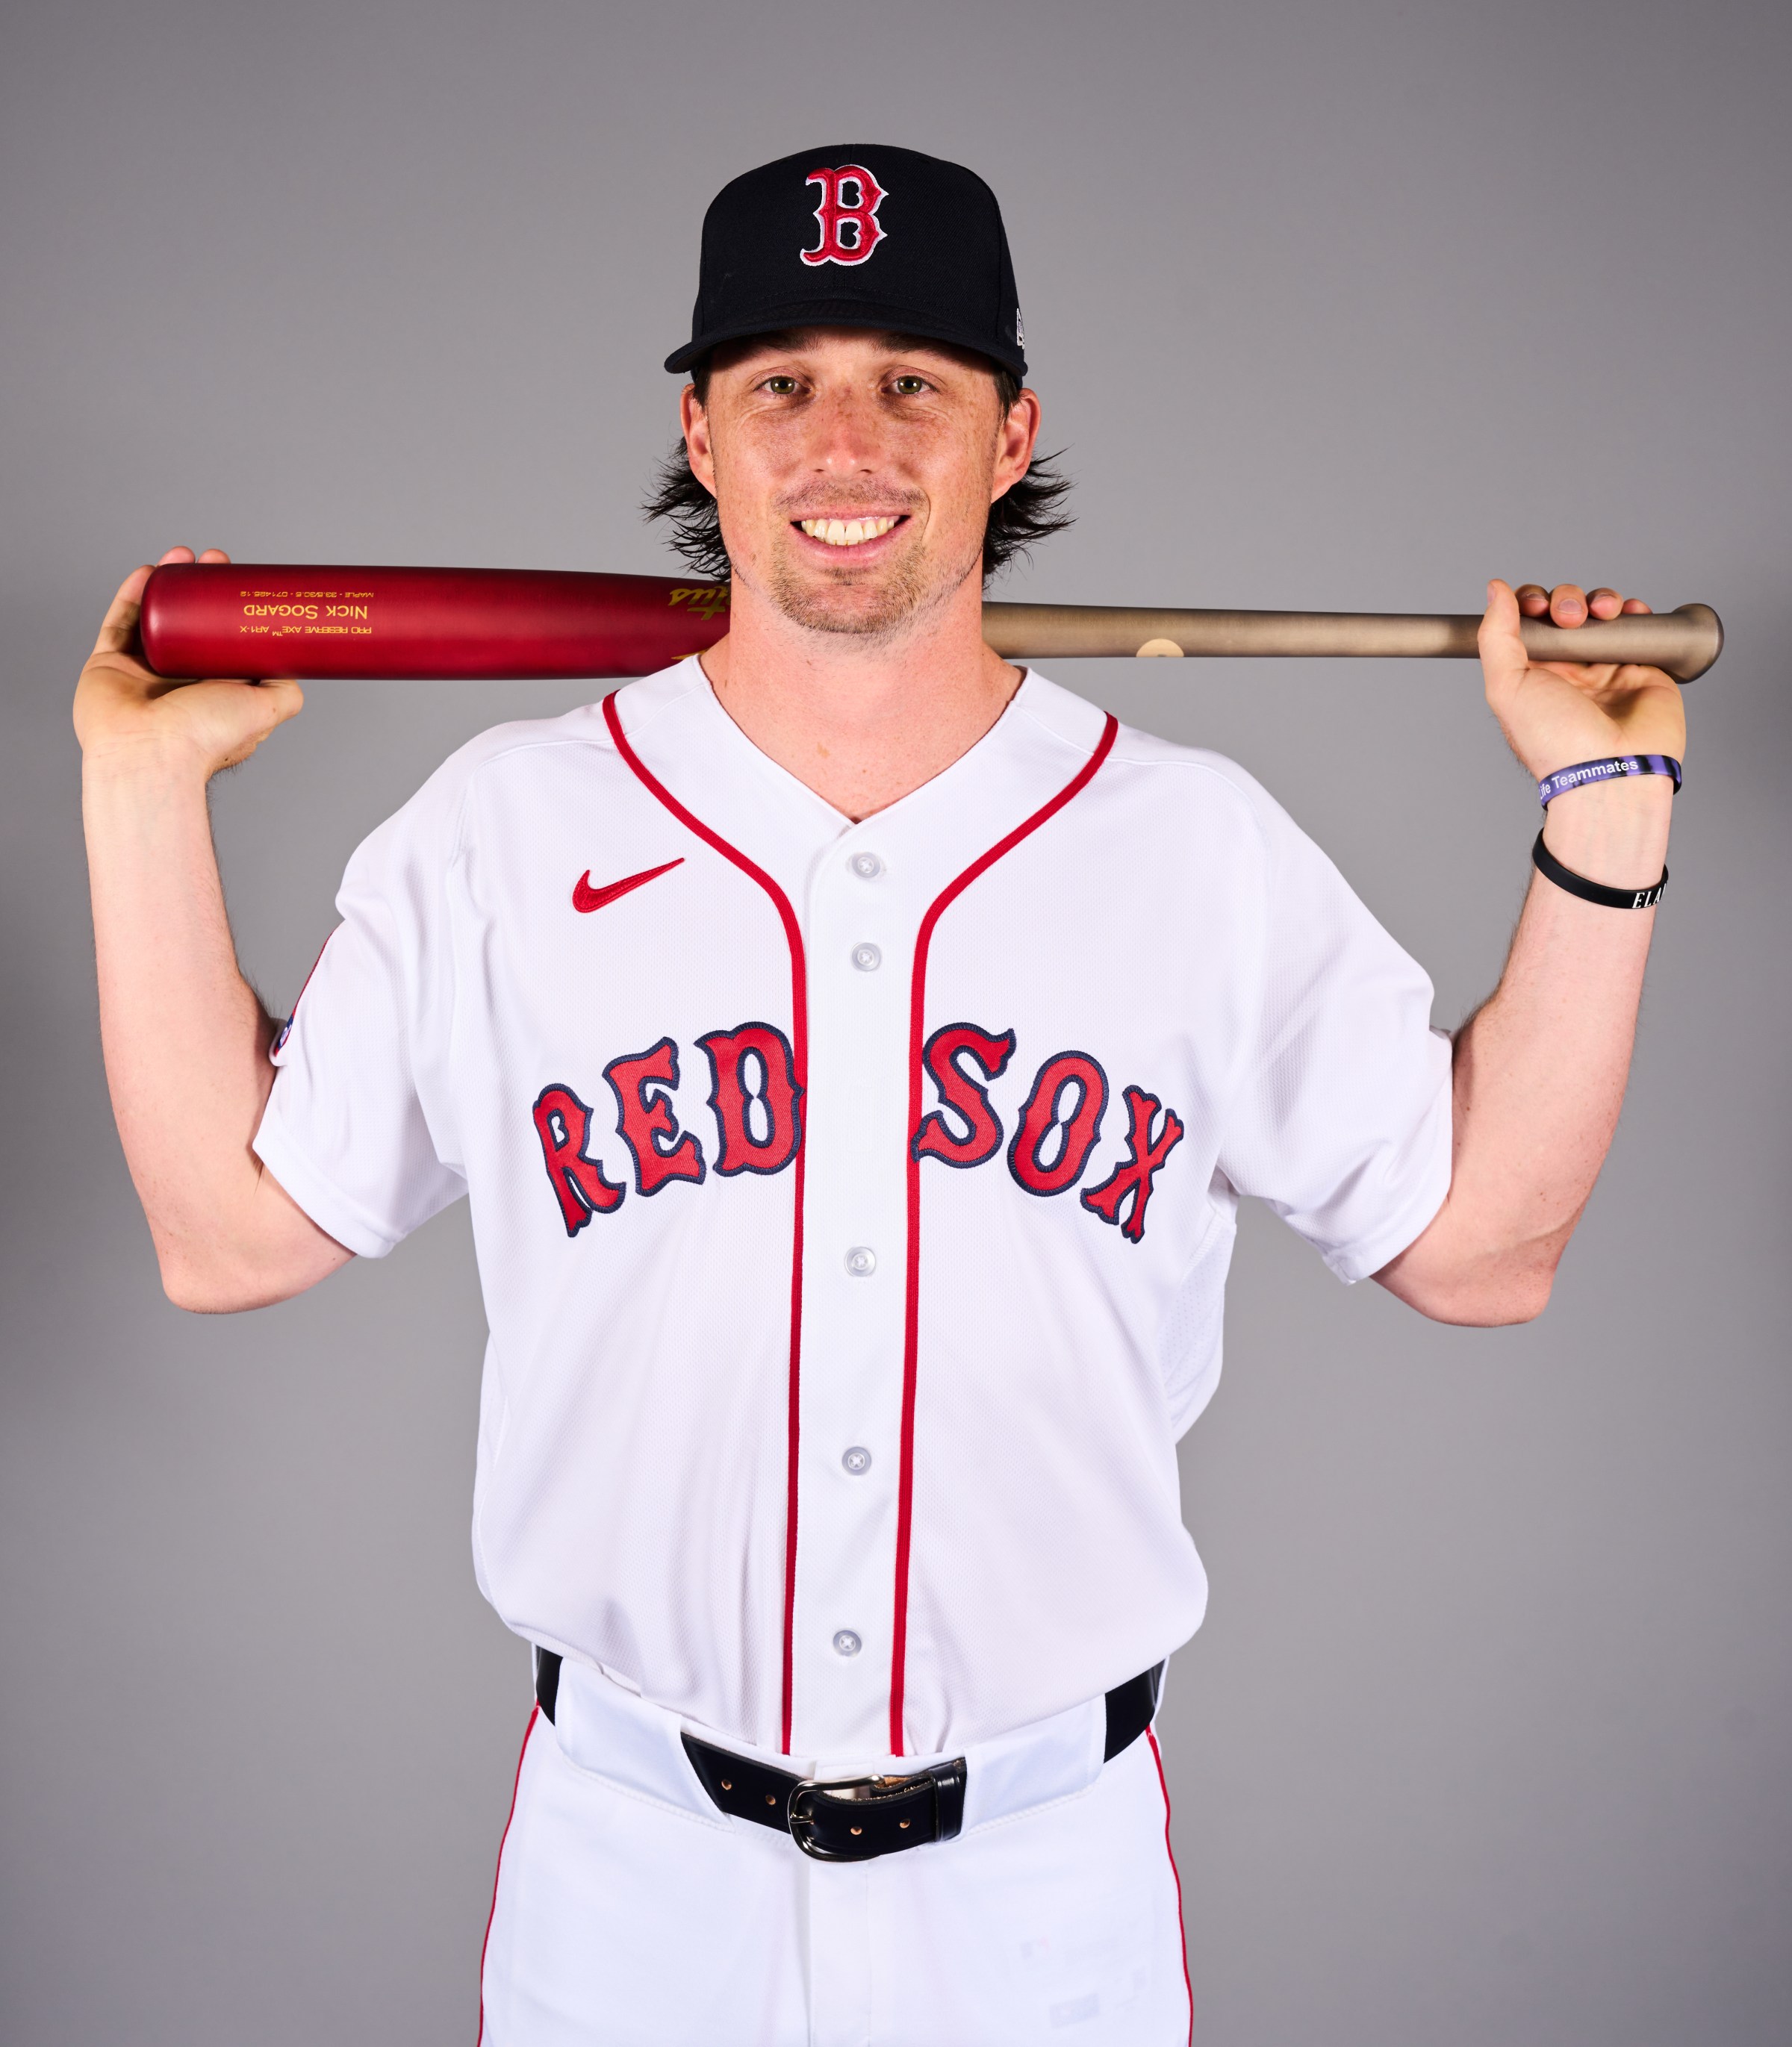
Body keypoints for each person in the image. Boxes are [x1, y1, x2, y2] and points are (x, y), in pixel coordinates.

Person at [73, 146, 1684, 2046]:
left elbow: (1486, 1250)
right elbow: (224, 1232)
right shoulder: (506, 830)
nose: (846, 442)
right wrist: (137, 793)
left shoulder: (1196, 851)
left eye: (911, 380)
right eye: (782, 383)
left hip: (1040, 1891)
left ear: (1012, 433)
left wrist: (1608, 820)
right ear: (700, 431)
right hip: (629, 1882)